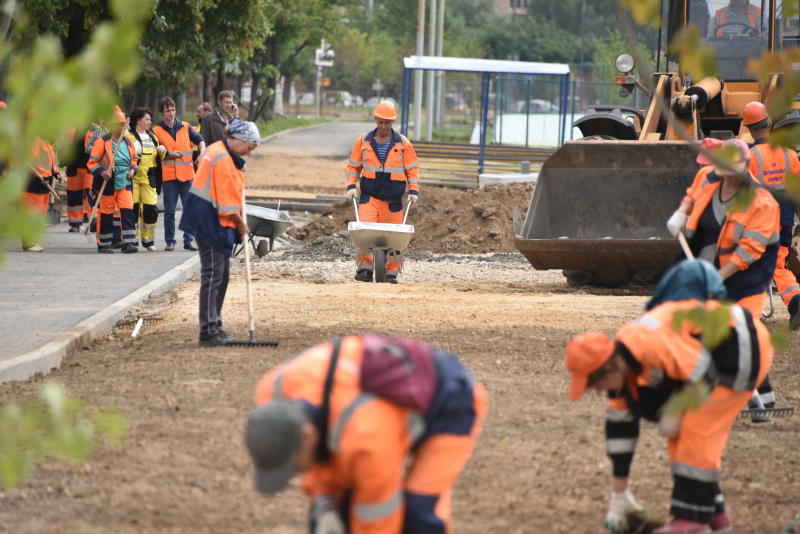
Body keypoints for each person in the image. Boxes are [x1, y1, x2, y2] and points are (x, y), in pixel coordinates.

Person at [565, 260, 774, 534]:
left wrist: (676, 411)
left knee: (697, 428)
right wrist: (619, 497)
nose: (598, 391)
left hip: (741, 347)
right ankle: (715, 517)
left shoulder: (647, 343)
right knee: (680, 438)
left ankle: (692, 520)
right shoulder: (622, 369)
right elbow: (620, 427)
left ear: (607, 367)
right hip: (716, 358)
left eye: (594, 383)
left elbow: (700, 371)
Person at [244, 333, 487, 534]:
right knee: (331, 508)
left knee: (419, 512)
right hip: (372, 408)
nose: (296, 474)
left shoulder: (364, 440)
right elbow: (321, 458)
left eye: (292, 466)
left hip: (451, 402)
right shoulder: (271, 390)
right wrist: (325, 503)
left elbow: (378, 519)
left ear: (307, 437)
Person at [666, 138, 779, 318]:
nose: (729, 178)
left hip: (745, 278)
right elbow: (693, 195)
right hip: (702, 264)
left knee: (738, 331)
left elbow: (748, 251)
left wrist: (717, 277)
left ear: (747, 164)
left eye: (733, 173)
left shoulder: (763, 203)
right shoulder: (708, 176)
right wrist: (681, 212)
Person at [179, 120, 259, 346]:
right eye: (249, 148)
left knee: (220, 275)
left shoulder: (221, 151)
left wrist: (238, 165)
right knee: (214, 275)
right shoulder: (222, 158)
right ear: (240, 140)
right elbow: (226, 204)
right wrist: (241, 223)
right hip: (210, 220)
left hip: (210, 218)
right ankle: (208, 332)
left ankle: (215, 326)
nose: (249, 153)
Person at [346, 100, 420, 283]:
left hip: (393, 199)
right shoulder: (363, 141)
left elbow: (412, 169)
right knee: (365, 233)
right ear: (376, 120)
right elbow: (353, 166)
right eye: (381, 122)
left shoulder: (403, 143)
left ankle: (392, 272)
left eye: (387, 122)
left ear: (392, 122)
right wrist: (351, 185)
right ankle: (364, 267)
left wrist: (414, 190)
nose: (384, 126)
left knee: (394, 239)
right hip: (369, 196)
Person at [743, 101, 800, 329]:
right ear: (770, 123)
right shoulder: (788, 154)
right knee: (778, 266)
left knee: (750, 264)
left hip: (759, 223)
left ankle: (748, 313)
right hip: (784, 220)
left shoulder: (749, 156)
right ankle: (796, 301)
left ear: (749, 128)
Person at [153, 96, 205, 252]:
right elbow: (154, 150)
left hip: (187, 174)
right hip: (169, 177)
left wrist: (202, 153)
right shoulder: (156, 131)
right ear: (162, 113)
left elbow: (200, 140)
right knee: (169, 211)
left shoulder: (185, 126)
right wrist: (166, 153)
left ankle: (188, 240)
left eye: (173, 109)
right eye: (168, 111)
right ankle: (170, 241)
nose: (171, 113)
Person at [87, 106, 140, 253]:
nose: (123, 127)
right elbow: (92, 163)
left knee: (128, 211)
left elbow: (134, 160)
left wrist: (132, 170)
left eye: (124, 125)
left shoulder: (128, 142)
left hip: (125, 182)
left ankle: (129, 243)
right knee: (106, 213)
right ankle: (104, 244)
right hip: (108, 183)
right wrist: (102, 172)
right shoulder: (102, 142)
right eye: (120, 125)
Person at [126, 107, 166, 251]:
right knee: (133, 209)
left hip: (149, 176)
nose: (150, 122)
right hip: (133, 176)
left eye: (150, 119)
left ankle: (148, 240)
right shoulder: (128, 136)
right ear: (138, 120)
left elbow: (159, 156)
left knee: (150, 208)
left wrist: (162, 151)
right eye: (147, 119)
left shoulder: (152, 136)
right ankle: (133, 240)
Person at [23, 137, 61, 251]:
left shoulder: (48, 143)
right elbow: (32, 162)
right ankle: (28, 242)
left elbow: (49, 162)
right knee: (32, 212)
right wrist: (42, 175)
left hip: (44, 184)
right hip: (34, 182)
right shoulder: (36, 142)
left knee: (40, 213)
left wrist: (56, 173)